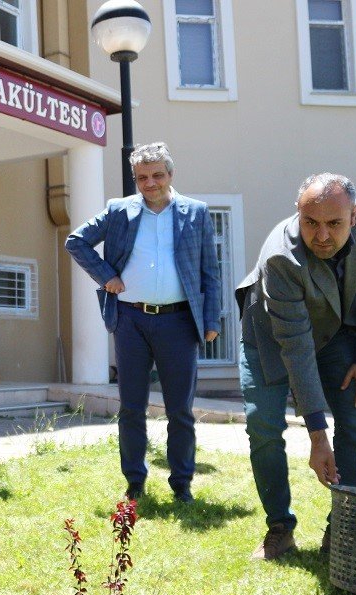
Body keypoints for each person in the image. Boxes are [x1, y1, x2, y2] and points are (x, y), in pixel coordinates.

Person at [236, 173, 356, 560]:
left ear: (354, 216)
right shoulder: (281, 257)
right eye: (311, 223)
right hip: (272, 336)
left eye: (334, 223)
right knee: (263, 425)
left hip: (336, 329)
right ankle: (280, 528)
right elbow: (297, 348)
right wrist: (318, 436)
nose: (322, 236)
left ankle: (344, 528)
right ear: (298, 214)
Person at [66, 142, 222, 503]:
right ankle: (135, 480)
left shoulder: (195, 213)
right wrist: (106, 276)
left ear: (171, 175)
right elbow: (77, 242)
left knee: (180, 409)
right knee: (131, 406)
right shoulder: (119, 211)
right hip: (130, 319)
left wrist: (211, 320)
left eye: (157, 175)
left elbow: (209, 272)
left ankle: (182, 483)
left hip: (179, 321)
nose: (150, 183)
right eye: (142, 178)